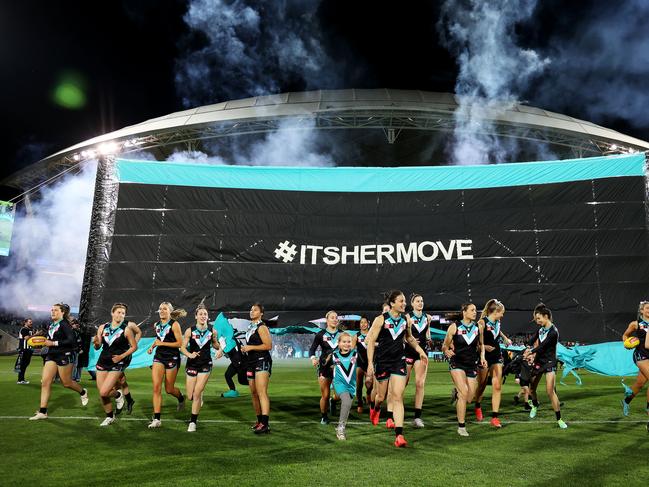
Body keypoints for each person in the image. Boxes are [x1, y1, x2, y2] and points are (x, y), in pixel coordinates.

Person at [366, 290, 428, 448]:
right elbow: (371, 341)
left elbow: (409, 338)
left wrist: (421, 352)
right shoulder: (380, 320)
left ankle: (399, 435)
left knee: (397, 396)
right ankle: (376, 407)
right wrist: (369, 364)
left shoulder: (406, 320)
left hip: (398, 361)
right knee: (381, 396)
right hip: (382, 361)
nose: (404, 303)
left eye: (405, 301)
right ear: (392, 303)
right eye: (401, 301)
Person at [29, 303, 89, 420]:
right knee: (45, 382)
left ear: (62, 312)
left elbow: (72, 341)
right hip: (52, 355)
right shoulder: (52, 325)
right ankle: (43, 412)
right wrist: (43, 342)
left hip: (64, 355)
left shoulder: (65, 324)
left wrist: (53, 343)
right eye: (52, 310)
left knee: (66, 383)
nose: (53, 312)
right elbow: (51, 340)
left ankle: (82, 392)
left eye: (56, 310)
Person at [441, 303, 486, 436]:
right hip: (457, 363)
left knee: (469, 398)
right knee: (464, 391)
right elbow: (445, 345)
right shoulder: (454, 327)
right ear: (464, 312)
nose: (475, 312)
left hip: (471, 365)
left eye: (475, 310)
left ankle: (456, 393)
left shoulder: (479, 327)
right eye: (472, 310)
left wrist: (483, 356)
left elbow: (481, 344)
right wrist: (446, 351)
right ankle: (461, 426)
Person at [93, 303, 138, 426]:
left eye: (123, 313)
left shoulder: (127, 329)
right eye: (118, 312)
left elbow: (134, 347)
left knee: (104, 392)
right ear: (112, 313)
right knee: (102, 394)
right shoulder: (102, 327)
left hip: (118, 362)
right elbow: (98, 347)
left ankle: (119, 395)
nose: (121, 315)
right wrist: (96, 343)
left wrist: (121, 357)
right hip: (103, 360)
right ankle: (110, 415)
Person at [524, 303, 568, 429]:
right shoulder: (540, 330)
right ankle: (535, 404)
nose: (537, 321)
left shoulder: (553, 332)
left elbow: (543, 346)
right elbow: (531, 340)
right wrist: (528, 346)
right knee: (531, 388)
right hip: (539, 361)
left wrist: (531, 351)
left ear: (546, 316)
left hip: (549, 362)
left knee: (550, 391)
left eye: (539, 318)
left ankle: (559, 419)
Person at [180, 304, 220, 432]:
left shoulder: (212, 331)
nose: (203, 316)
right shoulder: (189, 331)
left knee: (196, 394)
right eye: (201, 314)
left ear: (207, 317)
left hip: (205, 364)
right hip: (192, 364)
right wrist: (189, 354)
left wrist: (220, 348)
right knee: (190, 396)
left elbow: (215, 345)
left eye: (205, 314)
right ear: (196, 316)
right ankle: (199, 394)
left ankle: (193, 422)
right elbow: (182, 347)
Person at [146, 302, 185, 428]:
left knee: (169, 389)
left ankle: (180, 398)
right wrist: (152, 347)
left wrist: (161, 344)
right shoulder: (156, 325)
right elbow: (159, 339)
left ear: (170, 312)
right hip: (159, 357)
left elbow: (179, 344)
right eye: (160, 309)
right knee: (156, 388)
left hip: (172, 358)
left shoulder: (175, 325)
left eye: (165, 309)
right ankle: (157, 419)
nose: (162, 311)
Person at [474, 299, 512, 428]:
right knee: (482, 385)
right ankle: (477, 405)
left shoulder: (497, 322)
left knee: (497, 386)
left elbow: (497, 330)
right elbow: (476, 342)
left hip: (496, 355)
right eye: (502, 313)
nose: (503, 315)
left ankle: (495, 417)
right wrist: (483, 347)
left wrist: (504, 338)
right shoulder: (481, 323)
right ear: (495, 311)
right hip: (484, 356)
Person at [241, 303, 272, 434]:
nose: (252, 311)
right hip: (251, 362)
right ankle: (259, 421)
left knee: (261, 392)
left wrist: (250, 347)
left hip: (262, 360)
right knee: (253, 393)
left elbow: (268, 345)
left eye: (255, 310)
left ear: (261, 313)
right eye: (251, 309)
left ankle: (265, 424)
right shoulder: (250, 327)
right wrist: (245, 349)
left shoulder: (262, 327)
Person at [309, 311, 342, 424]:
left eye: (336, 318)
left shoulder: (342, 334)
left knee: (339, 395)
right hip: (324, 367)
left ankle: (333, 401)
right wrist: (313, 358)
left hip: (339, 367)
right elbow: (312, 349)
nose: (334, 319)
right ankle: (324, 416)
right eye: (332, 318)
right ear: (327, 320)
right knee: (325, 394)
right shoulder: (320, 334)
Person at [405, 294, 433, 428]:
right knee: (401, 384)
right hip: (408, 352)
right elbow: (402, 335)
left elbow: (427, 333)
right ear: (412, 304)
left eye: (422, 301)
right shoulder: (407, 317)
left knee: (420, 384)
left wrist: (429, 339)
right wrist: (408, 340)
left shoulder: (428, 318)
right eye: (417, 301)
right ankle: (392, 413)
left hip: (422, 354)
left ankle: (417, 417)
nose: (420, 303)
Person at [324, 332, 358, 440]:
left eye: (349, 342)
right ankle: (341, 428)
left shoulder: (355, 354)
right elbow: (325, 367)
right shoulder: (334, 355)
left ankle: (333, 400)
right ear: (338, 343)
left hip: (351, 385)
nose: (346, 344)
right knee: (347, 402)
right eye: (344, 342)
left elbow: (364, 365)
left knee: (346, 401)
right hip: (339, 383)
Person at [621, 301, 649, 428]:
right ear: (642, 311)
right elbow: (625, 335)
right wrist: (626, 343)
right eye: (647, 308)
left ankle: (626, 401)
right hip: (641, 356)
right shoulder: (636, 324)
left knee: (640, 383)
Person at [213, 312, 244, 398]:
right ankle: (233, 391)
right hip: (235, 361)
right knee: (228, 375)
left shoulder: (231, 339)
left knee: (243, 380)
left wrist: (222, 352)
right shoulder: (223, 339)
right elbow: (225, 350)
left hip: (240, 361)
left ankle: (259, 386)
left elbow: (231, 346)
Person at [355, 316, 373, 413]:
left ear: (368, 323)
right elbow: (353, 348)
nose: (363, 324)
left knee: (370, 384)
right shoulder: (356, 336)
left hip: (370, 363)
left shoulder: (372, 334)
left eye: (365, 322)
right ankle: (359, 403)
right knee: (359, 385)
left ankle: (368, 393)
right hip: (360, 363)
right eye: (361, 322)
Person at [16, 318, 35, 384]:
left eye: (31, 322)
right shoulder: (24, 329)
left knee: (25, 364)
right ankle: (20, 380)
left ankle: (21, 379)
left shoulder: (29, 329)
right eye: (30, 322)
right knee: (23, 365)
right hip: (24, 349)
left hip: (28, 349)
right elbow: (26, 338)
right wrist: (36, 334)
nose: (31, 323)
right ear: (25, 323)